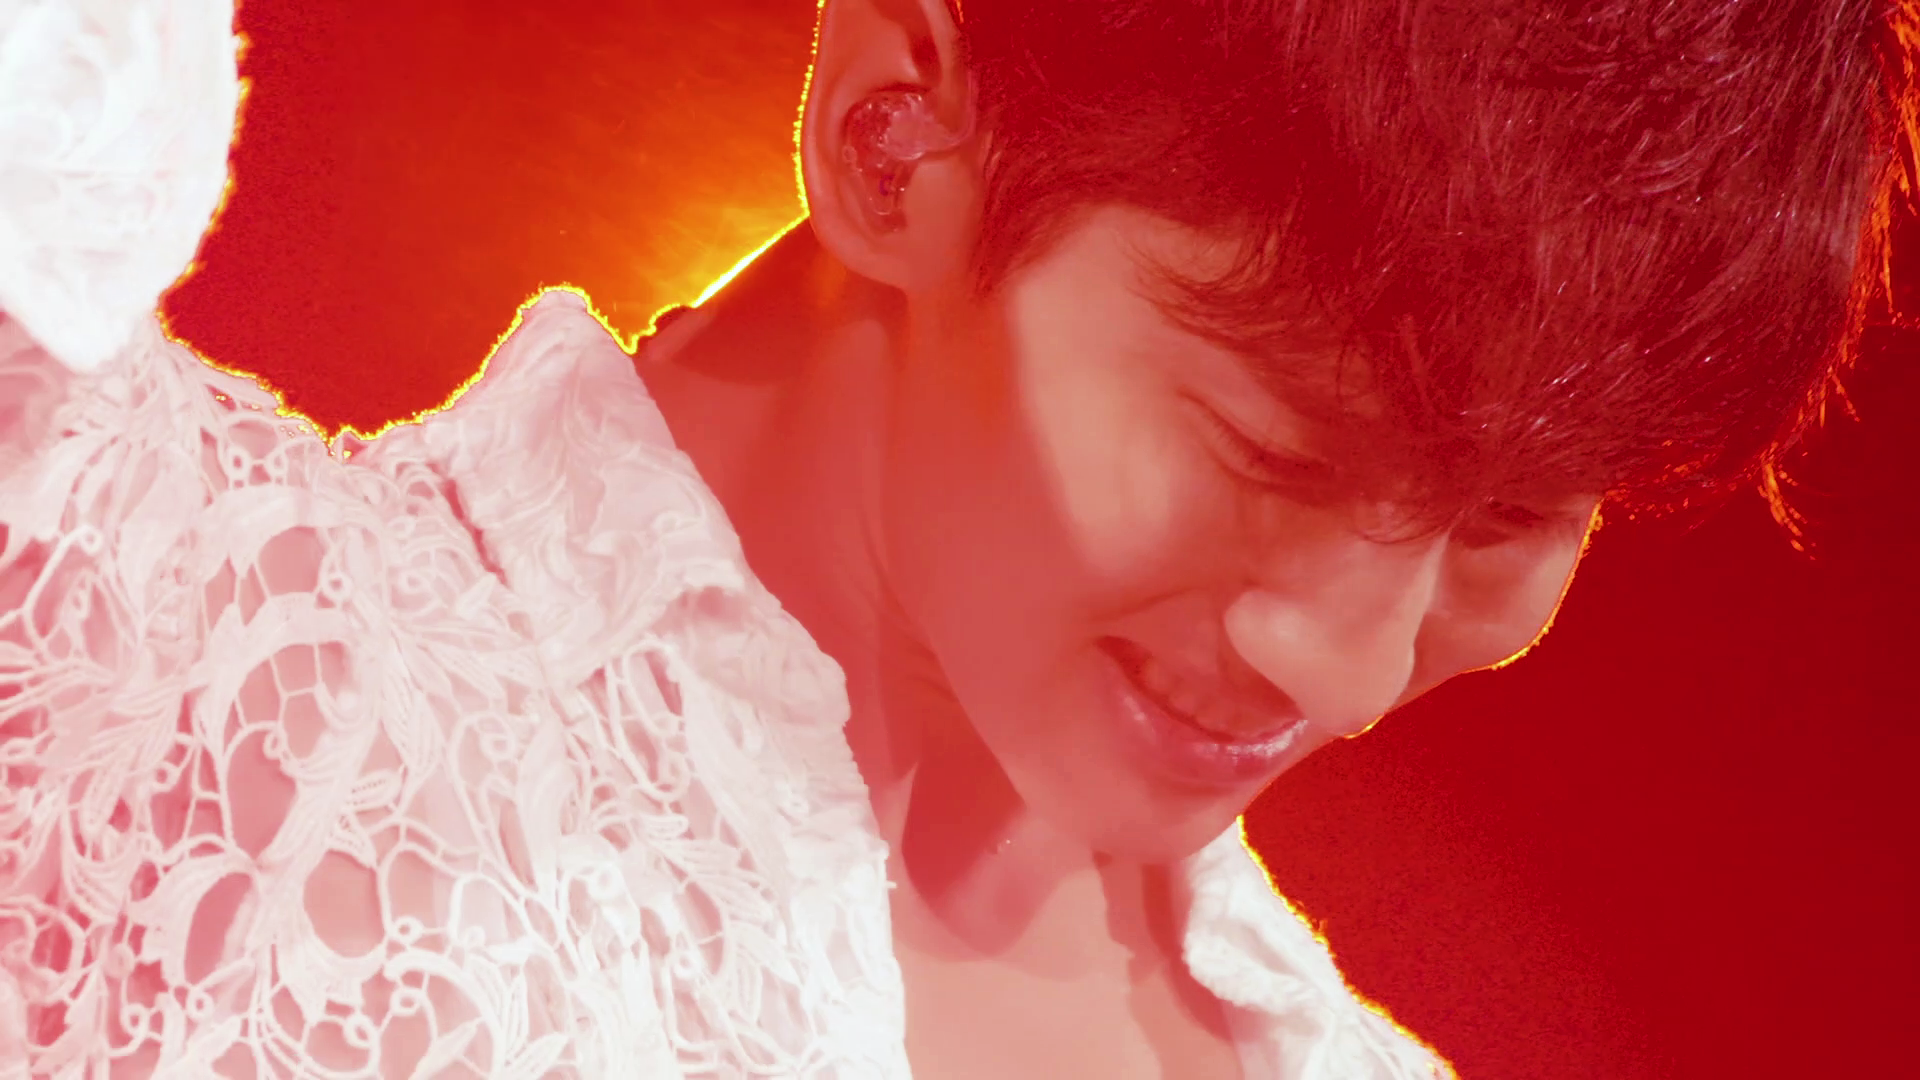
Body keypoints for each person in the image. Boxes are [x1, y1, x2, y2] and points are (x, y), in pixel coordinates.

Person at [1, 0, 1910, 1077]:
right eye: (1275, 448)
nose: (1347, 664)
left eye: (1508, 518)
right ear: (898, 137)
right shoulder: (157, 623)